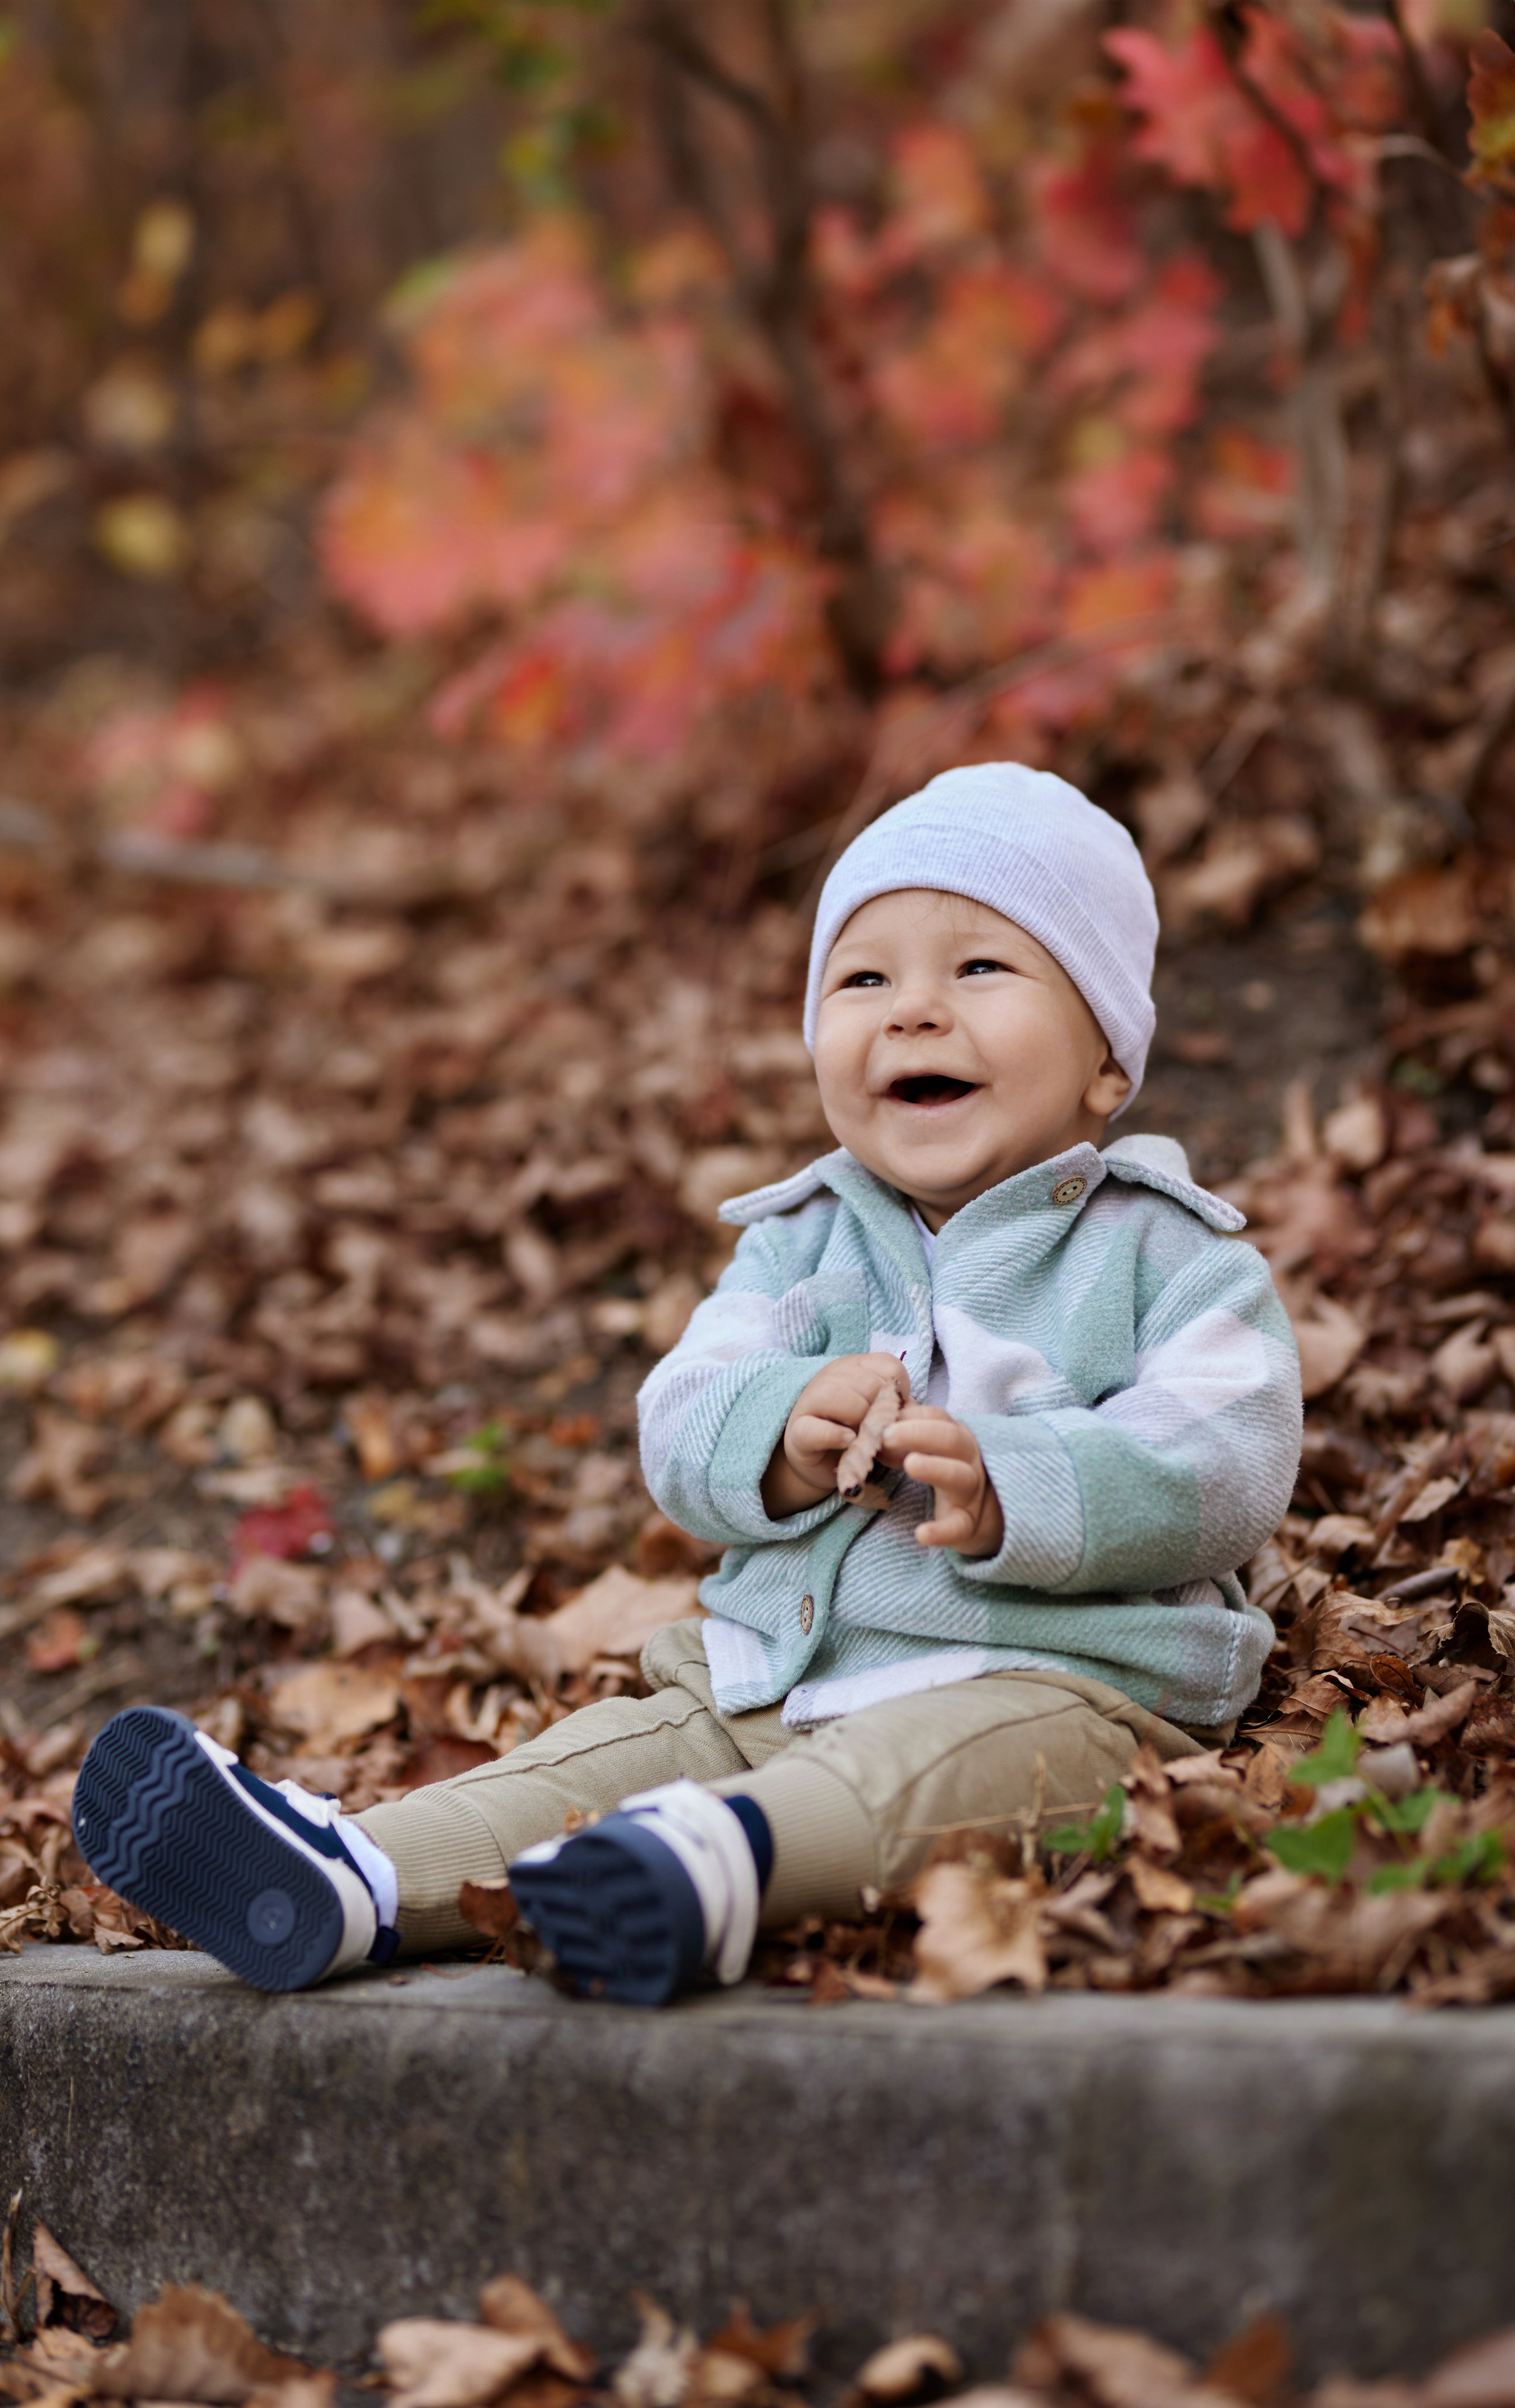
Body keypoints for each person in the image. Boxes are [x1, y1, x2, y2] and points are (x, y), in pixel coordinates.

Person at [73, 764, 1302, 2006]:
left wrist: (1015, 1485)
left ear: (1105, 1061)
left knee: (931, 1773)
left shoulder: (1163, 1250)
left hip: (1058, 1685)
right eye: (863, 980)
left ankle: (711, 1871)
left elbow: (1227, 1457)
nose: (912, 1014)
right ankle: (358, 1877)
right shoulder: (799, 1242)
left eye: (980, 968)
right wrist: (779, 1430)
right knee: (609, 1754)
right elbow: (679, 1415)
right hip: (769, 1684)